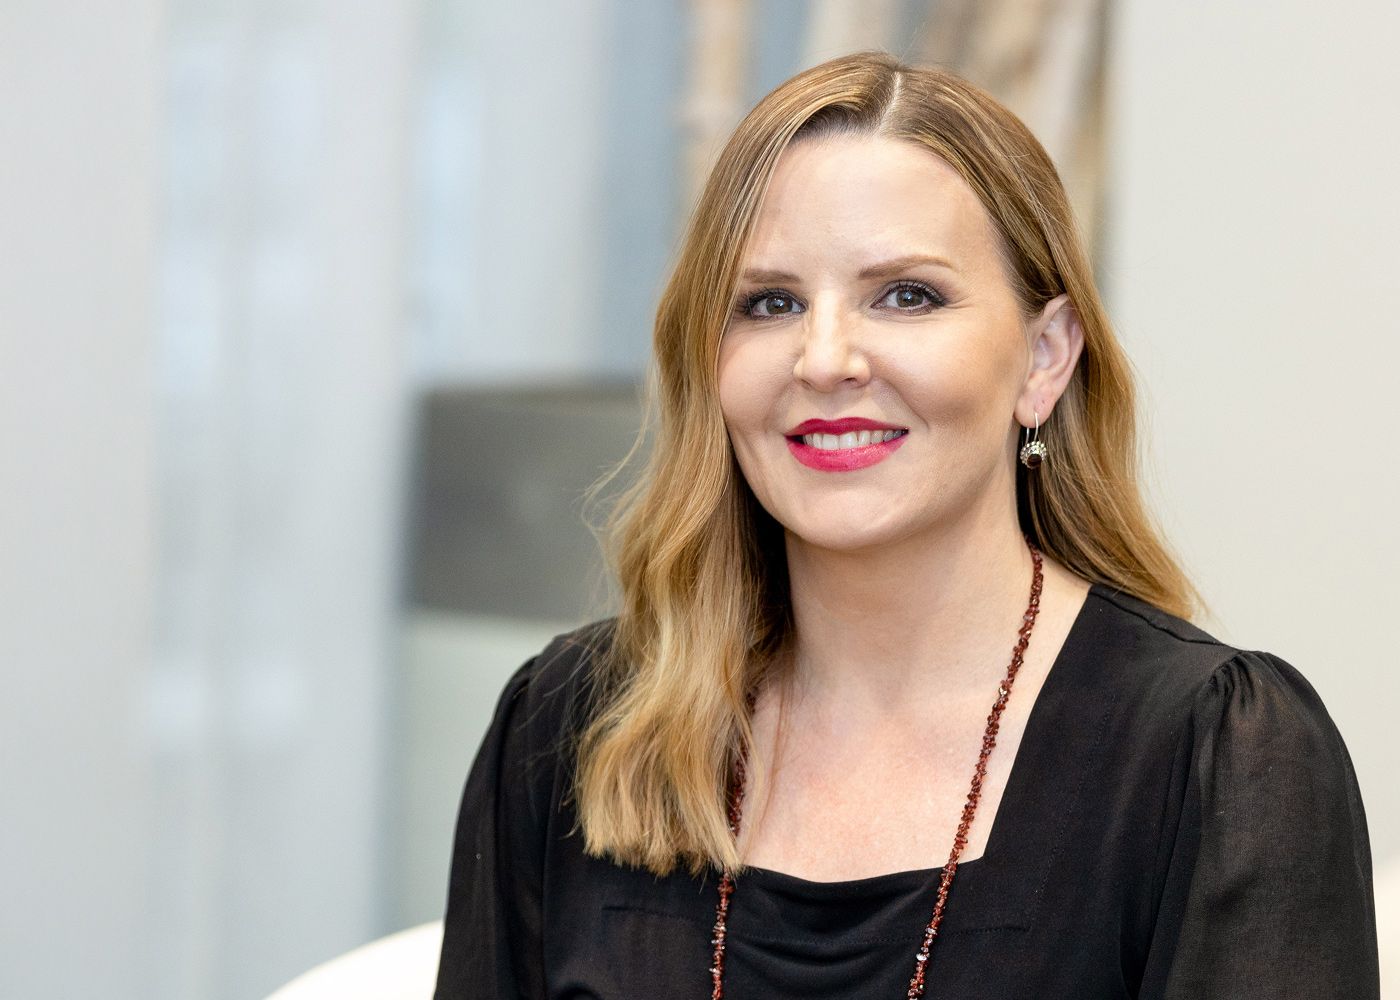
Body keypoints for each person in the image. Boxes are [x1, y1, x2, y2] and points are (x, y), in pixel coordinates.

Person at [433, 51, 1379, 999]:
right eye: (770, 303)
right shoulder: (569, 727)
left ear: (1043, 359)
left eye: (906, 295)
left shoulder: (1218, 760)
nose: (826, 356)